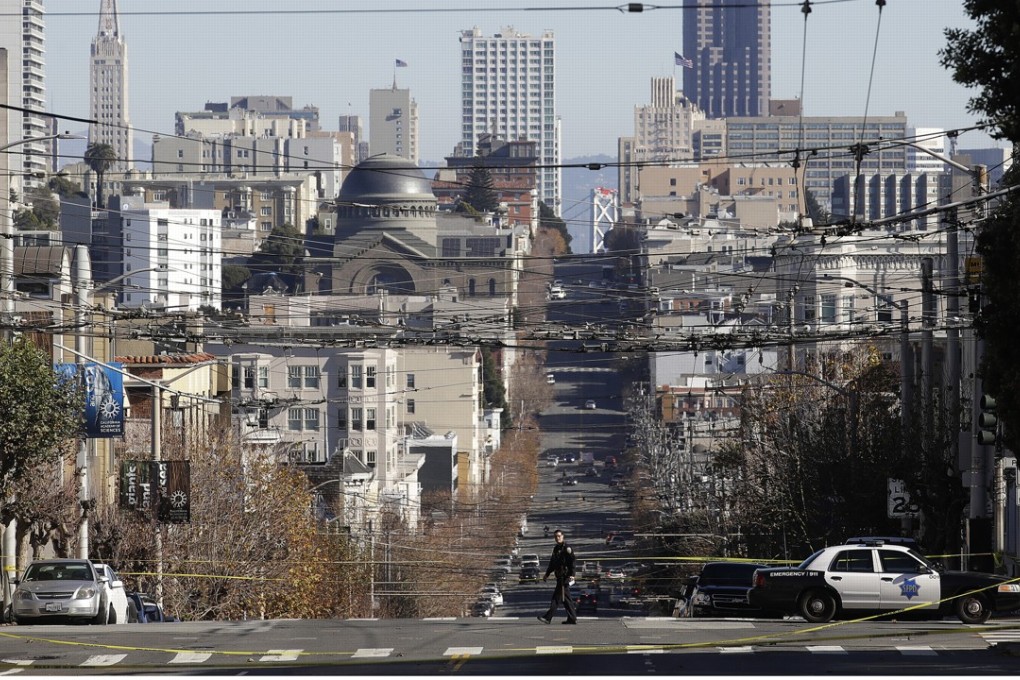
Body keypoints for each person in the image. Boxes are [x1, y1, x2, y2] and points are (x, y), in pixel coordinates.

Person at [537, 529, 577, 624]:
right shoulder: (556, 549)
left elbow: (573, 562)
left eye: (559, 536)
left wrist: (572, 575)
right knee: (566, 600)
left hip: (565, 577)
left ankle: (548, 617)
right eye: (555, 536)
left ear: (563, 536)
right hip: (559, 577)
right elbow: (552, 563)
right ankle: (572, 618)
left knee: (556, 598)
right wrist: (547, 574)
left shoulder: (567, 548)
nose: (557, 538)